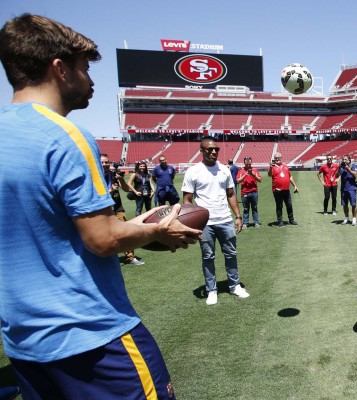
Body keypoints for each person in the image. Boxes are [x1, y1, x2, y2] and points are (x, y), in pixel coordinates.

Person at [0, 14, 201, 399]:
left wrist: (144, 221)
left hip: (24, 343)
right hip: (90, 335)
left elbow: (53, 229)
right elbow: (102, 239)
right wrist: (159, 230)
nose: (91, 81)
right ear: (59, 69)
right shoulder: (65, 135)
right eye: (85, 68)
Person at [182, 137, 250, 305]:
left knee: (231, 254)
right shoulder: (193, 172)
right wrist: (192, 224)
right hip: (205, 223)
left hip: (225, 220)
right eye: (209, 149)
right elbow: (187, 200)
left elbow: (231, 194)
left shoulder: (225, 170)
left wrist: (238, 216)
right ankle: (211, 289)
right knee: (208, 257)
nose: (213, 152)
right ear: (202, 151)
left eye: (216, 149)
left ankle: (234, 286)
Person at [101, 154, 144, 265]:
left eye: (107, 162)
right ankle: (107, 258)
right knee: (104, 235)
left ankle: (130, 257)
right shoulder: (95, 177)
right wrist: (110, 191)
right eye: (102, 162)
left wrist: (121, 179)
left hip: (117, 207)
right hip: (102, 210)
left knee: (125, 233)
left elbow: (125, 189)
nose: (105, 164)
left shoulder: (113, 174)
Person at [267, 152, 299, 227]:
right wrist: (271, 167)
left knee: (289, 205)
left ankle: (291, 220)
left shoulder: (285, 166)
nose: (277, 159)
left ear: (281, 158)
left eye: (278, 158)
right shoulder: (273, 167)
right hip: (277, 190)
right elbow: (269, 175)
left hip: (286, 190)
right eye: (276, 158)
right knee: (279, 206)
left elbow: (290, 177)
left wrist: (295, 185)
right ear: (274, 159)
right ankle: (280, 221)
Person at [236, 156, 262, 228]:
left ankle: (256, 222)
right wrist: (245, 175)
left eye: (249, 162)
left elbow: (260, 180)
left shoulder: (255, 170)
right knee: (246, 209)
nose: (248, 164)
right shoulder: (241, 171)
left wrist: (253, 175)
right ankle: (245, 223)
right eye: (246, 162)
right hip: (245, 192)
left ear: (251, 162)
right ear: (244, 162)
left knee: (254, 208)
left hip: (254, 192)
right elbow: (237, 181)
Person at [336, 154, 357, 226]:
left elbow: (355, 175)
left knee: (353, 204)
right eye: (343, 159)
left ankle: (354, 219)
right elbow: (336, 175)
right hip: (343, 189)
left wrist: (348, 169)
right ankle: (346, 218)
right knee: (344, 204)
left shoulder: (353, 166)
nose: (344, 161)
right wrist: (339, 168)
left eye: (345, 159)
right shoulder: (341, 167)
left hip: (351, 188)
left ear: (349, 160)